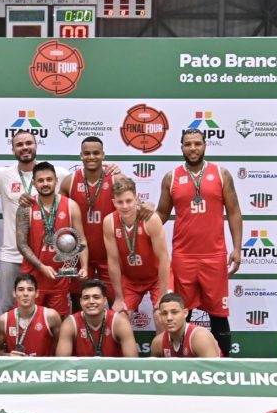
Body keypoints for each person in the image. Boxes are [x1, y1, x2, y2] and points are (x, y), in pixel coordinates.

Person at [155, 128, 242, 357]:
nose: (193, 148)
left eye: (197, 143)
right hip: (184, 256)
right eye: (187, 144)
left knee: (219, 315)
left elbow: (234, 212)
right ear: (181, 147)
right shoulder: (171, 177)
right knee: (183, 312)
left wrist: (238, 248)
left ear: (205, 145)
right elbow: (161, 214)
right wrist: (139, 227)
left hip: (214, 256)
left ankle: (224, 366)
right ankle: (182, 363)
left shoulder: (221, 174)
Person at [0, 131, 70, 317]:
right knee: (9, 308)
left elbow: (85, 185)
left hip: (43, 259)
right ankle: (9, 347)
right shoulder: (3, 174)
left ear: (36, 145)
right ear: (13, 149)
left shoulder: (57, 173)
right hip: (11, 255)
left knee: (45, 310)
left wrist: (112, 171)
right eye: (19, 144)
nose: (24, 147)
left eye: (28, 143)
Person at [16, 161, 88, 316]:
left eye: (49, 179)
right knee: (28, 322)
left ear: (56, 180)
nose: (45, 183)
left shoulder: (70, 206)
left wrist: (85, 266)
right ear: (34, 183)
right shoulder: (25, 207)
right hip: (32, 278)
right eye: (40, 180)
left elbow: (81, 240)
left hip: (59, 276)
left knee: (58, 325)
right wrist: (41, 266)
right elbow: (21, 244)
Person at [103, 175, 171, 330]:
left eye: (129, 201)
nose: (125, 206)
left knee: (161, 317)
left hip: (156, 278)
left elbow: (163, 259)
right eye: (120, 202)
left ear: (136, 199)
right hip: (131, 280)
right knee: (119, 320)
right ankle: (126, 354)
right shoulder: (109, 222)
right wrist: (119, 298)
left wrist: (162, 296)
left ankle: (161, 352)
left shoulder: (150, 219)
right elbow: (113, 261)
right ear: (114, 202)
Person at [60, 136, 117, 308]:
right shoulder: (69, 182)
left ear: (103, 155)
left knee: (116, 302)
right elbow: (59, 215)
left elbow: (131, 207)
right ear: (81, 156)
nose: (91, 157)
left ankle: (116, 334)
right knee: (79, 303)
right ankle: (81, 334)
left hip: (109, 253)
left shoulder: (116, 180)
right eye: (87, 153)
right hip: (80, 253)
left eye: (96, 153)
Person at [56, 279, 138, 357]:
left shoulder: (119, 322)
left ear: (104, 300)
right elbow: (62, 363)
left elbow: (133, 363)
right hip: (83, 370)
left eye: (96, 297)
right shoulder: (70, 323)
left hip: (112, 370)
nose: (91, 301)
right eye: (86, 298)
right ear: (81, 302)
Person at [0, 273, 61, 356]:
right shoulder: (4, 320)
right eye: (21, 289)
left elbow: (60, 349)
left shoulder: (51, 316)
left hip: (43, 368)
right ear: (14, 293)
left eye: (30, 289)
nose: (25, 294)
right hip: (16, 368)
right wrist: (8, 356)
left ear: (37, 293)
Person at [150, 292, 221, 358]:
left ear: (185, 313)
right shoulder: (158, 342)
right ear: (160, 315)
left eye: (174, 312)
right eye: (164, 313)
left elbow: (213, 369)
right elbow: (152, 370)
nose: (169, 318)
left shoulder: (200, 337)